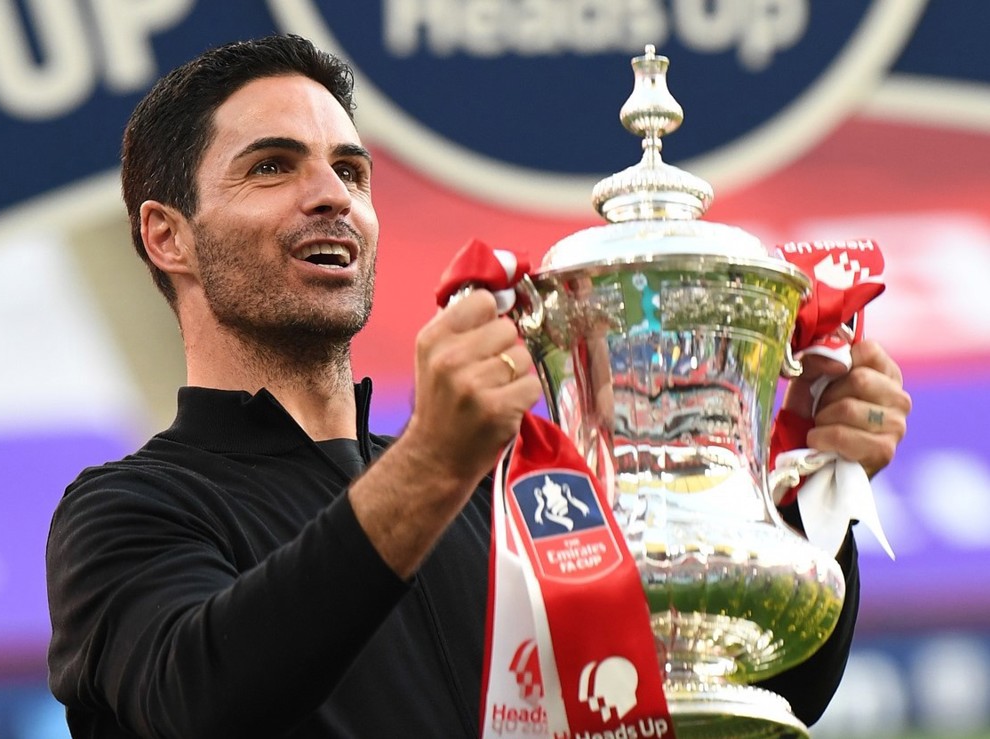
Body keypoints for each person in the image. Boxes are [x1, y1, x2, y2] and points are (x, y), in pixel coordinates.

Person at [45, 34, 912, 739]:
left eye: (350, 171)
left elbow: (723, 695)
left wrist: (805, 484)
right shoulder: (128, 511)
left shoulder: (511, 502)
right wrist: (430, 463)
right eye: (273, 166)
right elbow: (203, 701)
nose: (330, 198)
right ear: (168, 238)